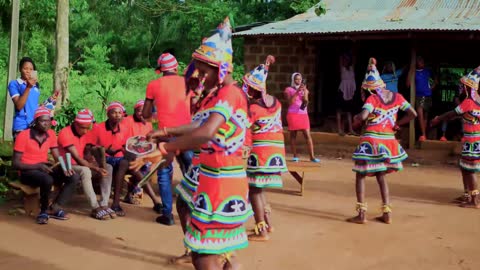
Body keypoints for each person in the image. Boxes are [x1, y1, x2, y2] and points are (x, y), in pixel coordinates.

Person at [131, 17, 251, 270]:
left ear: (221, 69)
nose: (198, 75)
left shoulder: (230, 94)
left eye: (204, 70)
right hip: (213, 178)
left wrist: (164, 148)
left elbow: (205, 132)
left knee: (204, 255)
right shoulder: (218, 94)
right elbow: (199, 125)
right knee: (219, 251)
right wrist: (165, 132)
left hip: (221, 182)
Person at [348, 58, 417, 225]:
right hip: (388, 140)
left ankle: (362, 214)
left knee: (360, 175)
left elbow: (364, 116)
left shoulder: (372, 99)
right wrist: (396, 124)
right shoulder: (397, 97)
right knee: (381, 176)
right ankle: (387, 214)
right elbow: (413, 114)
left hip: (371, 140)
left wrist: (358, 118)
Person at [142, 53, 193, 226]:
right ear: (176, 67)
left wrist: (157, 114)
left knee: (164, 172)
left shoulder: (153, 85)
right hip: (187, 133)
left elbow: (145, 114)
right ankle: (193, 210)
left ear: (160, 70)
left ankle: (167, 214)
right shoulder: (187, 82)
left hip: (165, 135)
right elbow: (193, 108)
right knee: (190, 171)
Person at [243, 55, 287, 241]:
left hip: (261, 152)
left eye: (249, 88)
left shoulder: (253, 108)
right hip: (277, 151)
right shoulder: (276, 103)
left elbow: (245, 129)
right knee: (259, 188)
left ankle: (261, 231)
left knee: (254, 188)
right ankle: (267, 224)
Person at [12, 106, 80, 224]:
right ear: (35, 122)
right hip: (27, 172)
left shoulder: (51, 134)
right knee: (47, 179)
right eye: (43, 121)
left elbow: (56, 156)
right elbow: (16, 163)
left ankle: (55, 207)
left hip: (44, 169)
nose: (46, 124)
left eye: (48, 121)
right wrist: (37, 166)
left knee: (73, 176)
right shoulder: (23, 136)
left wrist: (65, 168)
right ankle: (43, 211)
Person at [431, 66, 480, 208]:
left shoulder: (468, 102)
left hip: (472, 140)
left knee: (469, 168)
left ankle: (474, 199)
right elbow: (462, 115)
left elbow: (451, 114)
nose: (461, 88)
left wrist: (438, 119)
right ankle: (467, 194)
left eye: (462, 86)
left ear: (467, 87)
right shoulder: (477, 101)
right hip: (474, 139)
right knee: (465, 166)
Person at [57, 109, 116, 220]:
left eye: (87, 128)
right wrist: (96, 168)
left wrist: (95, 159)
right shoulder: (65, 133)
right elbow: (78, 159)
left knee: (108, 167)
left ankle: (104, 203)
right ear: (75, 124)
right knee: (86, 171)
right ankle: (95, 207)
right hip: (68, 166)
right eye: (82, 128)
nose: (85, 131)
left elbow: (87, 151)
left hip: (83, 164)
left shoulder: (86, 133)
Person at [90, 101, 131, 216]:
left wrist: (122, 150)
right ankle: (106, 203)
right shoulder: (98, 128)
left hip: (119, 158)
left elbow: (126, 146)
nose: (117, 115)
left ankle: (118, 201)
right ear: (108, 114)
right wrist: (105, 151)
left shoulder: (125, 128)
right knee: (109, 168)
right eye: (114, 112)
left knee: (125, 164)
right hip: (104, 158)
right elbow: (91, 147)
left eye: (119, 113)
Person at [122, 100, 163, 212]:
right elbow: (122, 141)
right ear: (135, 111)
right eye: (139, 111)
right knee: (137, 165)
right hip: (126, 153)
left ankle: (132, 192)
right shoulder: (126, 121)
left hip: (141, 155)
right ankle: (155, 200)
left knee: (152, 162)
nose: (142, 114)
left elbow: (149, 143)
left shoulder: (148, 123)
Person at [284, 72, 320, 162]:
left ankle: (312, 157)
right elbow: (290, 102)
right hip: (293, 114)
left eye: (300, 79)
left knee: (307, 135)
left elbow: (306, 102)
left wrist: (304, 92)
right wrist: (297, 92)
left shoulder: (305, 90)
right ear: (293, 80)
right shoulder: (288, 90)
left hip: (303, 114)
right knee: (293, 135)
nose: (298, 81)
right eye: (296, 79)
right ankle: (295, 156)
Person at [8, 57, 41, 138]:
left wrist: (48, 103)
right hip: (22, 126)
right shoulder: (14, 84)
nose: (28, 71)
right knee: (21, 150)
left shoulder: (36, 86)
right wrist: (28, 87)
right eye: (25, 68)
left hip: (35, 125)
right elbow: (19, 106)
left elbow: (33, 104)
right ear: (20, 69)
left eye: (31, 69)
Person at [407, 56, 437, 142]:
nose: (421, 62)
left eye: (422, 60)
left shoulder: (427, 71)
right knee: (419, 115)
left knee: (425, 117)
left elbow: (435, 79)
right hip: (419, 96)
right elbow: (408, 84)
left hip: (428, 95)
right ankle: (423, 135)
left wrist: (432, 86)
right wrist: (411, 70)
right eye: (419, 60)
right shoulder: (414, 72)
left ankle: (424, 135)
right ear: (416, 62)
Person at [336, 53, 357, 136]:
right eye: (344, 60)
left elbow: (354, 59)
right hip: (342, 91)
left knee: (349, 111)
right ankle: (339, 129)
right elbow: (340, 59)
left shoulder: (351, 68)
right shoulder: (342, 69)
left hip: (350, 92)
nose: (345, 61)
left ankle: (350, 129)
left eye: (347, 60)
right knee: (339, 110)